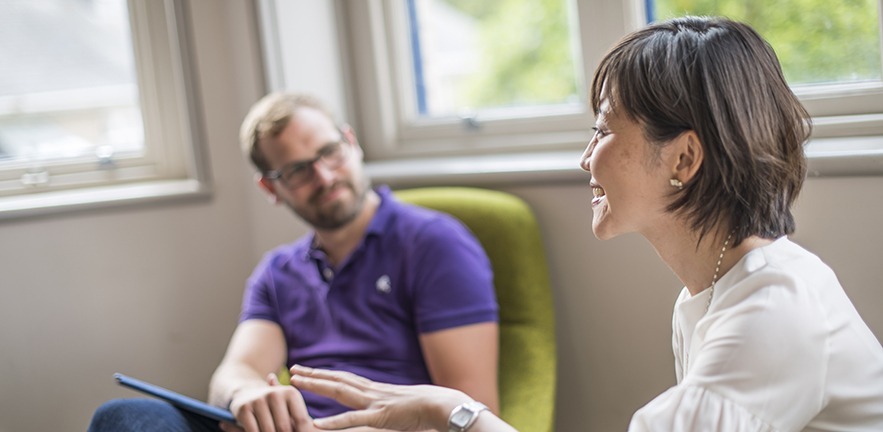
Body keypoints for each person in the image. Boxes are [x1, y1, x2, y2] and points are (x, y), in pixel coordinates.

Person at [286, 16, 883, 432]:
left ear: (683, 159)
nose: (584, 157)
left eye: (602, 130)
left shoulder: (772, 311)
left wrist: (452, 413)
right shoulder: (708, 296)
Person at [88, 92, 500, 432]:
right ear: (271, 187)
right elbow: (236, 371)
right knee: (124, 419)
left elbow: (468, 408)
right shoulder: (278, 272)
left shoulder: (435, 244)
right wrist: (245, 394)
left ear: (351, 143)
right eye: (299, 171)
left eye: (330, 153)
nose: (324, 177)